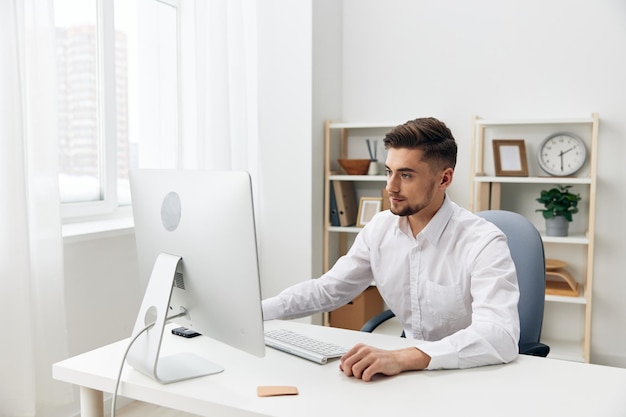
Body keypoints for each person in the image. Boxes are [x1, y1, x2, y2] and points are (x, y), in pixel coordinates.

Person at [262, 117, 520, 381]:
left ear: (444, 178)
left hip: (473, 373)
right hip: (410, 374)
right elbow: (328, 289)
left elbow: (500, 335)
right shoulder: (380, 228)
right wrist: (257, 312)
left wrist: (403, 357)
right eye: (389, 172)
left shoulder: (483, 242)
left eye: (406, 175)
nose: (390, 187)